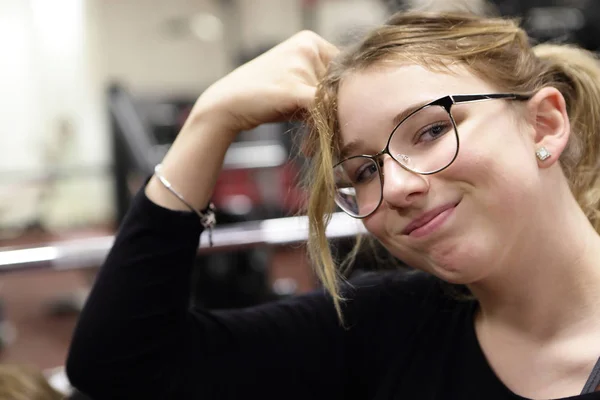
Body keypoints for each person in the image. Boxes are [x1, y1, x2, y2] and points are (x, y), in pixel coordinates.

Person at [66, 10, 600, 400]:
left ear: (544, 125)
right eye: (364, 170)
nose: (394, 187)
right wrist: (212, 120)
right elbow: (119, 364)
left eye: (433, 130)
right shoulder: (383, 326)